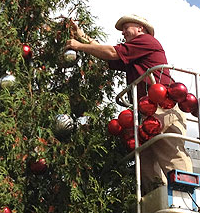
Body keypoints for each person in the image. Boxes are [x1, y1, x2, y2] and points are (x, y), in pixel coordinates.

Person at [66, 14, 192, 194]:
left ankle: (186, 197)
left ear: (141, 28)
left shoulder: (146, 41)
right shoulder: (134, 51)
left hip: (163, 106)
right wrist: (82, 36)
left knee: (169, 151)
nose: (123, 32)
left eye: (126, 27)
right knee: (147, 158)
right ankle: (157, 198)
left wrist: (78, 45)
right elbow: (107, 54)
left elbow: (111, 52)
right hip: (148, 110)